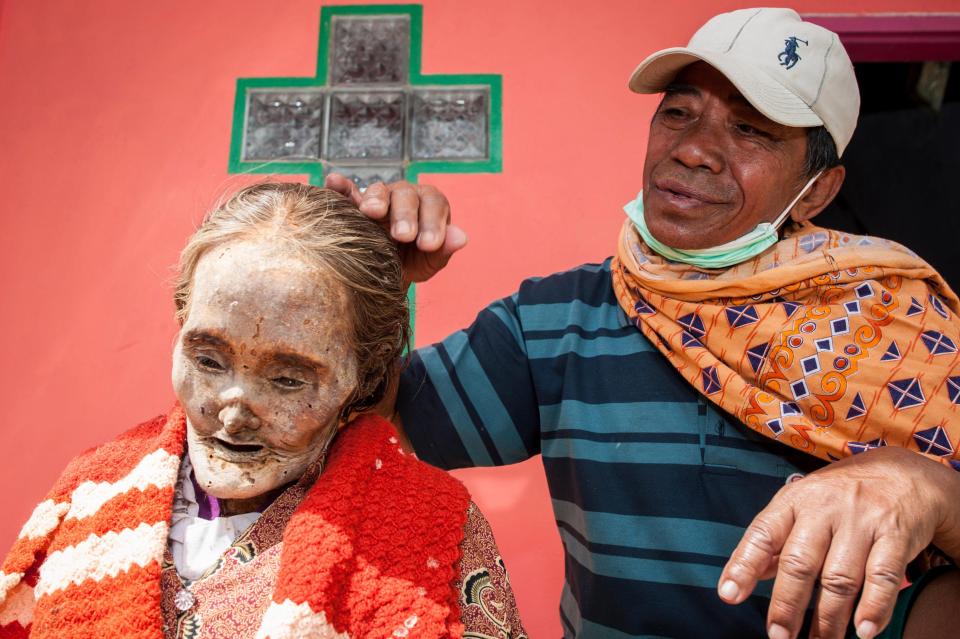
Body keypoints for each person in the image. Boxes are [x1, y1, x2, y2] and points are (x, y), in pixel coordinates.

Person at [325, 8, 960, 639]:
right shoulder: (557, 320)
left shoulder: (898, 330)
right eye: (679, 113)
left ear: (817, 191)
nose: (692, 150)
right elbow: (367, 431)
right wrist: (370, 287)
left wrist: (929, 487)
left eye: (750, 130)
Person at [0, 184, 526, 638]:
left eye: (288, 378)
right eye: (207, 358)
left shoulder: (434, 527)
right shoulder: (90, 490)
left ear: (363, 376)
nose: (232, 414)